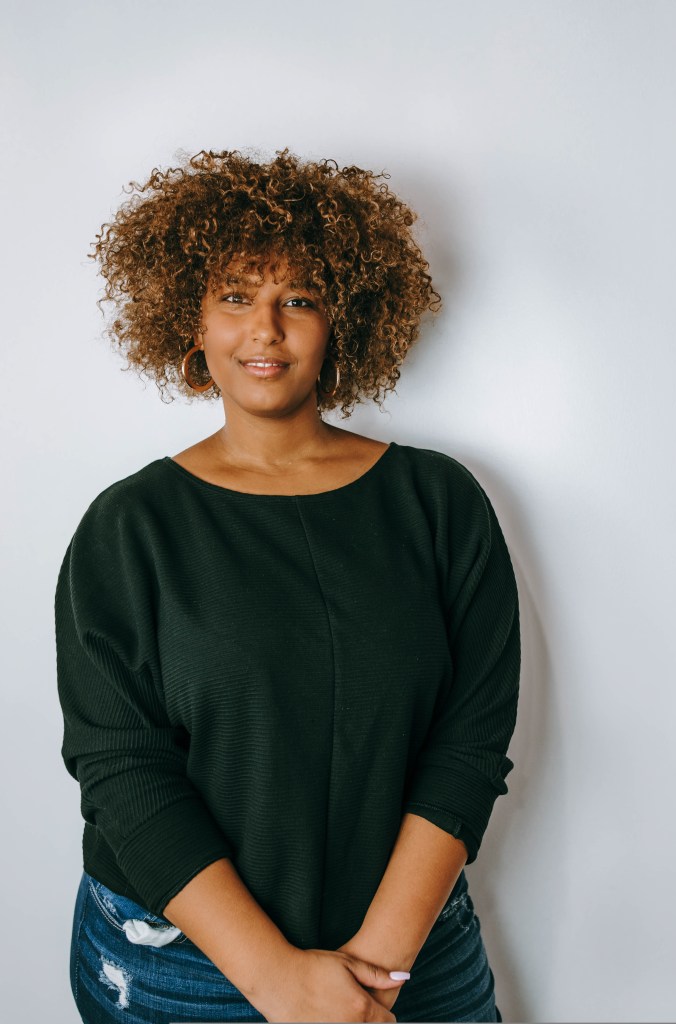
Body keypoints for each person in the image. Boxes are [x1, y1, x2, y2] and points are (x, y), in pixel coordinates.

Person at [55, 148, 521, 1024]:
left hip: (409, 956)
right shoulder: (129, 527)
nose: (264, 329)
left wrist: (373, 972)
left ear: (342, 321)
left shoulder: (438, 502)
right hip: (181, 966)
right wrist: (278, 983)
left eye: (298, 299)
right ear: (189, 318)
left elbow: (468, 741)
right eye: (235, 296)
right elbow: (123, 771)